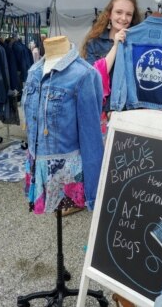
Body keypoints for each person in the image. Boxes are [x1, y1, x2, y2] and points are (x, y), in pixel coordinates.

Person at [23, 35, 104, 215]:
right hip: (37, 165)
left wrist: (93, 194)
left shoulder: (84, 75)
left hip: (66, 174)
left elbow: (91, 139)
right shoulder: (33, 72)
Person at [80, 0, 162, 115]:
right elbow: (93, 78)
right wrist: (115, 46)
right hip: (101, 111)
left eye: (128, 14)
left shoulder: (139, 43)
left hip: (132, 112)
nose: (123, 18)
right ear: (109, 14)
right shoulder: (94, 43)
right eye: (119, 12)